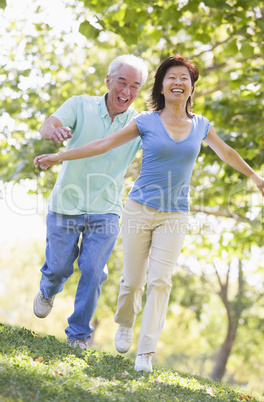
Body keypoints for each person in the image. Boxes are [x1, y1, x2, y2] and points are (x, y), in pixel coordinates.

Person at [34, 55, 264, 371]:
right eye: (172, 77)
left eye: (185, 78)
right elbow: (103, 144)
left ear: (191, 87)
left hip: (171, 214)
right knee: (131, 282)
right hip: (137, 209)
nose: (178, 82)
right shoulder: (145, 121)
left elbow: (225, 151)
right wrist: (60, 157)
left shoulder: (201, 126)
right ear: (161, 85)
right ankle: (124, 320)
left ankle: (142, 351)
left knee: (158, 280)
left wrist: (255, 176)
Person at [33, 54, 149, 350]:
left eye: (134, 86)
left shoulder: (138, 124)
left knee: (94, 270)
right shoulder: (80, 104)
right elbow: (49, 125)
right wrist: (53, 131)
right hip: (66, 204)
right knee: (58, 267)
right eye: (121, 82)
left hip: (106, 209)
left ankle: (79, 334)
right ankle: (49, 288)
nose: (126, 91)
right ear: (108, 80)